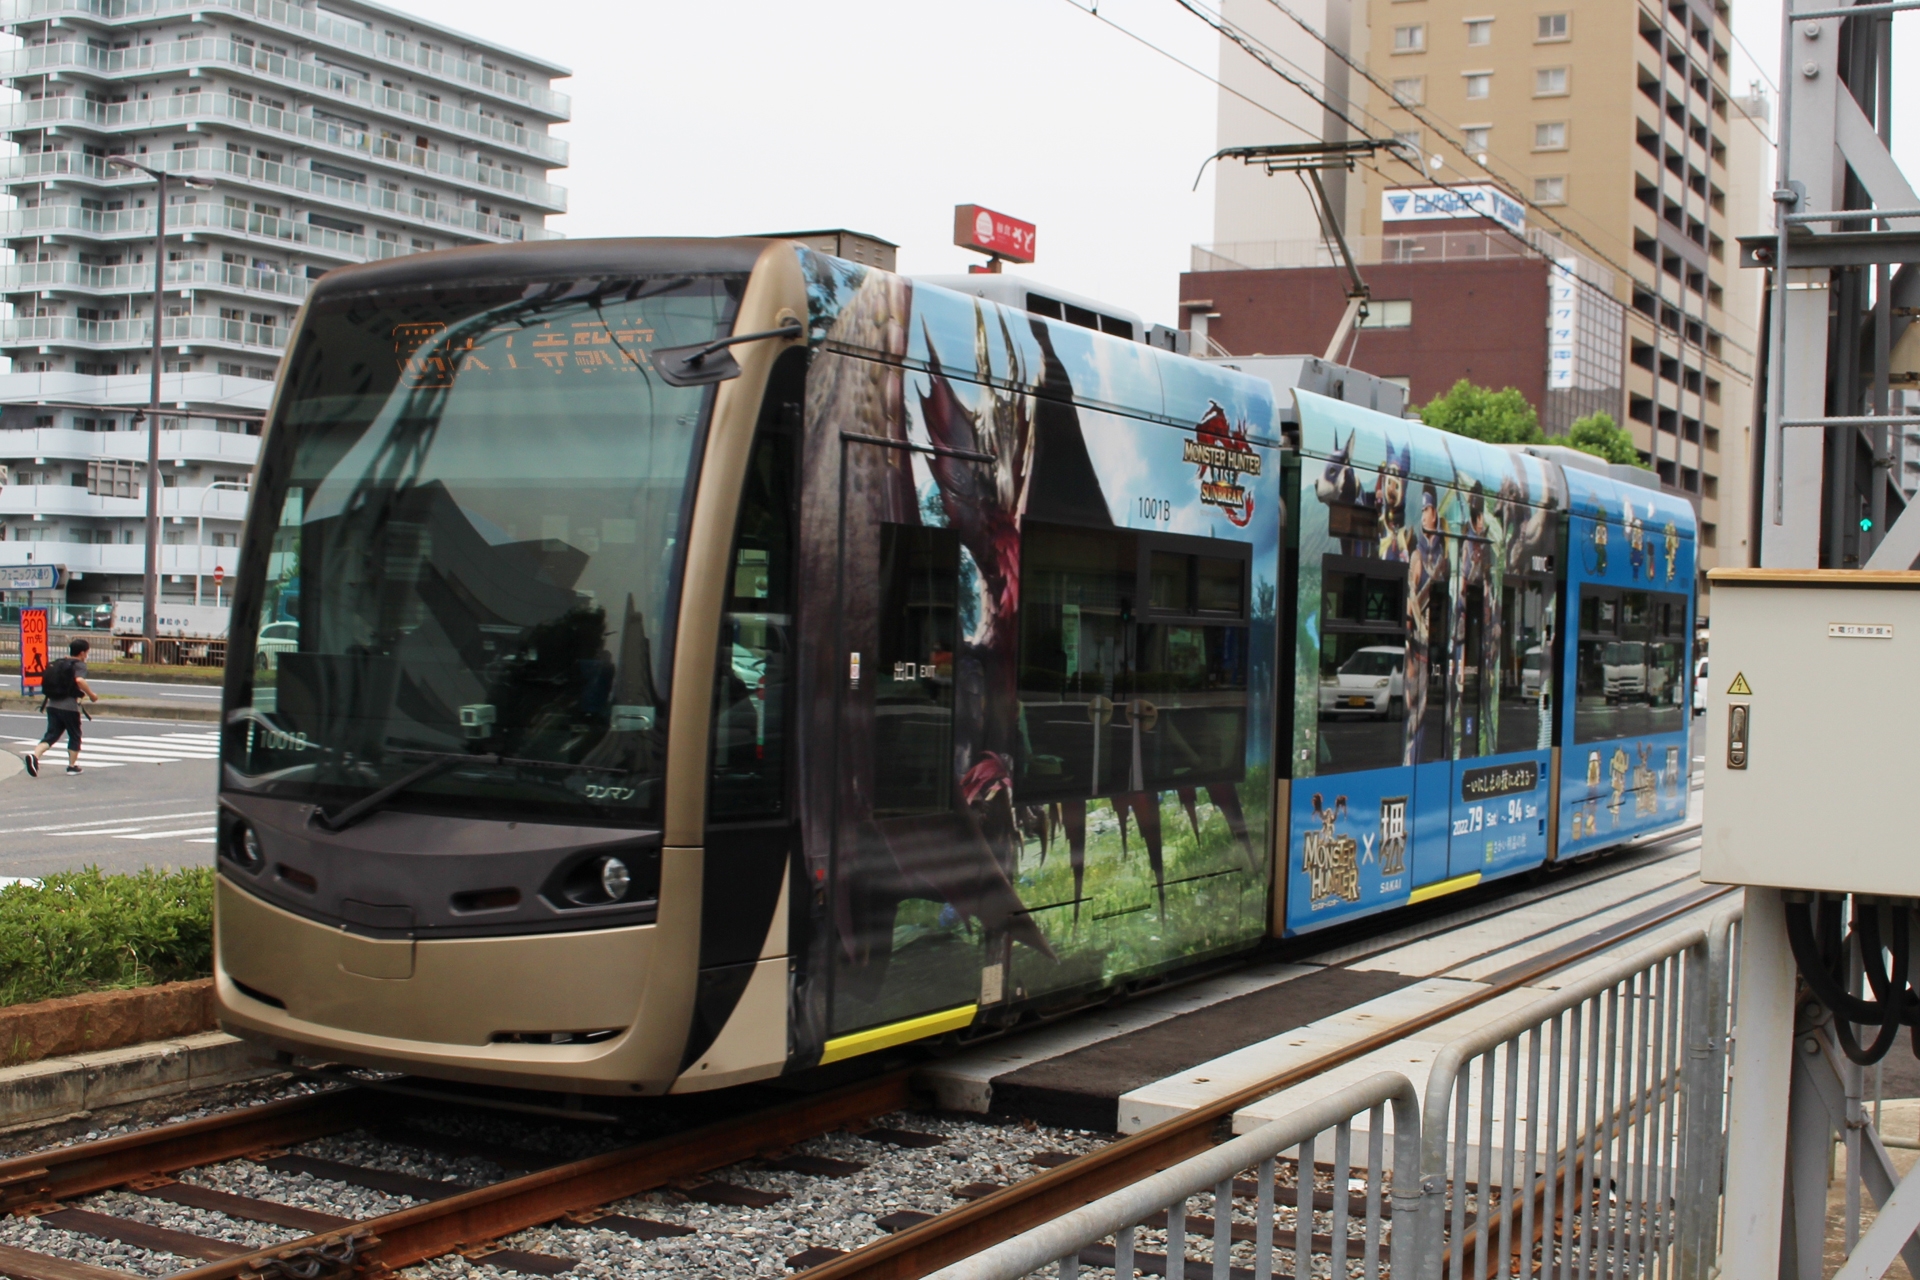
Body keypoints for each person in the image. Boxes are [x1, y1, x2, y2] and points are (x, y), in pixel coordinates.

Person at [23, 638, 99, 777]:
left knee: (51, 735)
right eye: (87, 652)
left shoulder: (60, 662)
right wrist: (92, 695)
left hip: (52, 704)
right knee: (75, 735)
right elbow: (79, 680)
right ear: (82, 653)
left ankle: (35, 756)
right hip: (69, 706)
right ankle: (72, 766)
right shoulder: (79, 665)